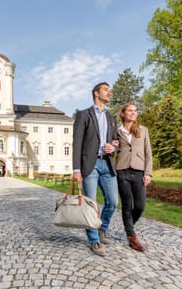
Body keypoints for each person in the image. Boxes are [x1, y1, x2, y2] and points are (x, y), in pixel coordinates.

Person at [73, 82, 119, 256]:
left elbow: (116, 142)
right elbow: (77, 143)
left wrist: (113, 148)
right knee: (90, 204)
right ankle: (94, 240)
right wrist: (76, 169)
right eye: (106, 90)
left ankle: (102, 228)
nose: (109, 92)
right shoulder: (84, 115)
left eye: (109, 90)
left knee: (113, 201)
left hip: (107, 164)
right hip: (89, 165)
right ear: (96, 93)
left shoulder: (111, 118)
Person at [115, 103, 153, 252]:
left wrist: (148, 173)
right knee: (126, 205)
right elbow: (114, 148)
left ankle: (128, 227)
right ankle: (131, 236)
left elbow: (148, 153)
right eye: (130, 111)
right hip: (122, 170)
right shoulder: (117, 131)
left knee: (140, 206)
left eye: (135, 111)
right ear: (123, 113)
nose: (133, 113)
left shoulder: (143, 130)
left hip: (138, 171)